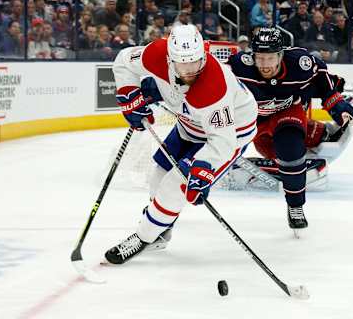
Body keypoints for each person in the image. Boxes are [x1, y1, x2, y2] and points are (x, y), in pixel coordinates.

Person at [105, 25, 258, 264]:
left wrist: (203, 169)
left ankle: (144, 236)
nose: (189, 71)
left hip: (231, 132)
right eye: (182, 64)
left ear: (204, 55)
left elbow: (222, 141)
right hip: (190, 123)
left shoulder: (213, 85)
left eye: (195, 63)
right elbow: (123, 61)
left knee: (177, 184)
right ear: (169, 57)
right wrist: (128, 93)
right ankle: (160, 230)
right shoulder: (156, 53)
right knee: (158, 177)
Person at [227, 27, 353, 235]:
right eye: (259, 58)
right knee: (223, 146)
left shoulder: (300, 63)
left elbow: (322, 77)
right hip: (252, 117)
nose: (264, 65)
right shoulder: (239, 65)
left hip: (287, 111)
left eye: (270, 58)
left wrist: (337, 105)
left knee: (291, 151)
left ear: (281, 54)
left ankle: (295, 206)